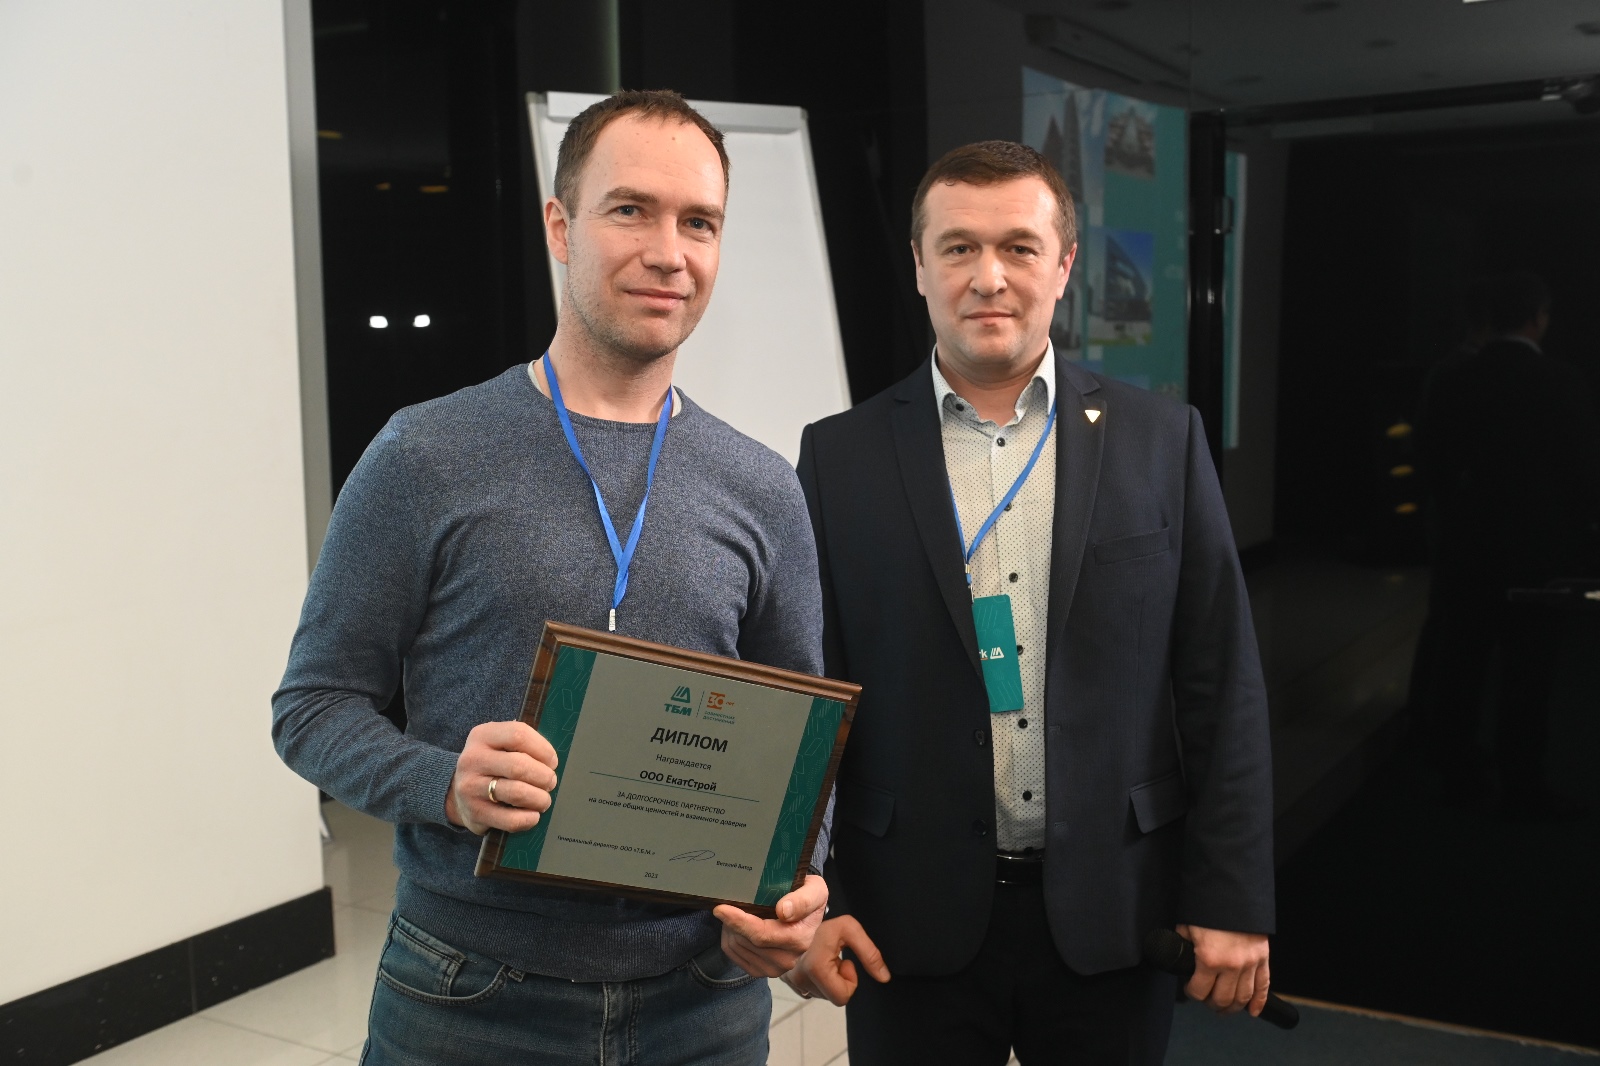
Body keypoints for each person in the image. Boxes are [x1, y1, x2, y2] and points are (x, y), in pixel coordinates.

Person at [272, 90, 830, 1066]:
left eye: (699, 222)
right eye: (631, 210)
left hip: (703, 1004)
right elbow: (312, 707)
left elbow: (799, 751)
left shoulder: (762, 486)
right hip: (468, 997)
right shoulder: (425, 455)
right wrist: (445, 783)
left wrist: (792, 891)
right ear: (561, 227)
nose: (670, 252)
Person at [786, 141, 1276, 1065]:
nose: (989, 277)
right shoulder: (837, 456)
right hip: (905, 920)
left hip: (1116, 913)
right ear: (919, 265)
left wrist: (1231, 896)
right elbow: (810, 698)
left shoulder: (1162, 441)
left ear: (1064, 265)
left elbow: (1223, 686)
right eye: (959, 248)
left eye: (1018, 246)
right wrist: (817, 898)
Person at [1417, 271, 1600, 819]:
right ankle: (1523, 785)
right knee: (1529, 675)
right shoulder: (1563, 381)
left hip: (1468, 550)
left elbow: (1432, 462)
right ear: (1539, 318)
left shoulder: (1455, 379)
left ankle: (1459, 779)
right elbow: (1583, 474)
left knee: (1462, 667)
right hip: (1540, 558)